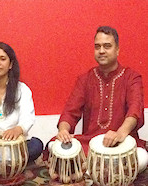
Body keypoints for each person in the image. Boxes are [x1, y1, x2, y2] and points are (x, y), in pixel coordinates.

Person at [53, 26, 147, 171]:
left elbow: (135, 110)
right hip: (90, 143)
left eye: (107, 46)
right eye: (97, 47)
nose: (101, 51)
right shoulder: (85, 79)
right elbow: (70, 112)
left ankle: (90, 167)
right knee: (54, 146)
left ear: (117, 50)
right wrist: (63, 131)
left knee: (141, 157)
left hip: (122, 142)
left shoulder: (131, 77)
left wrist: (120, 133)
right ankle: (100, 167)